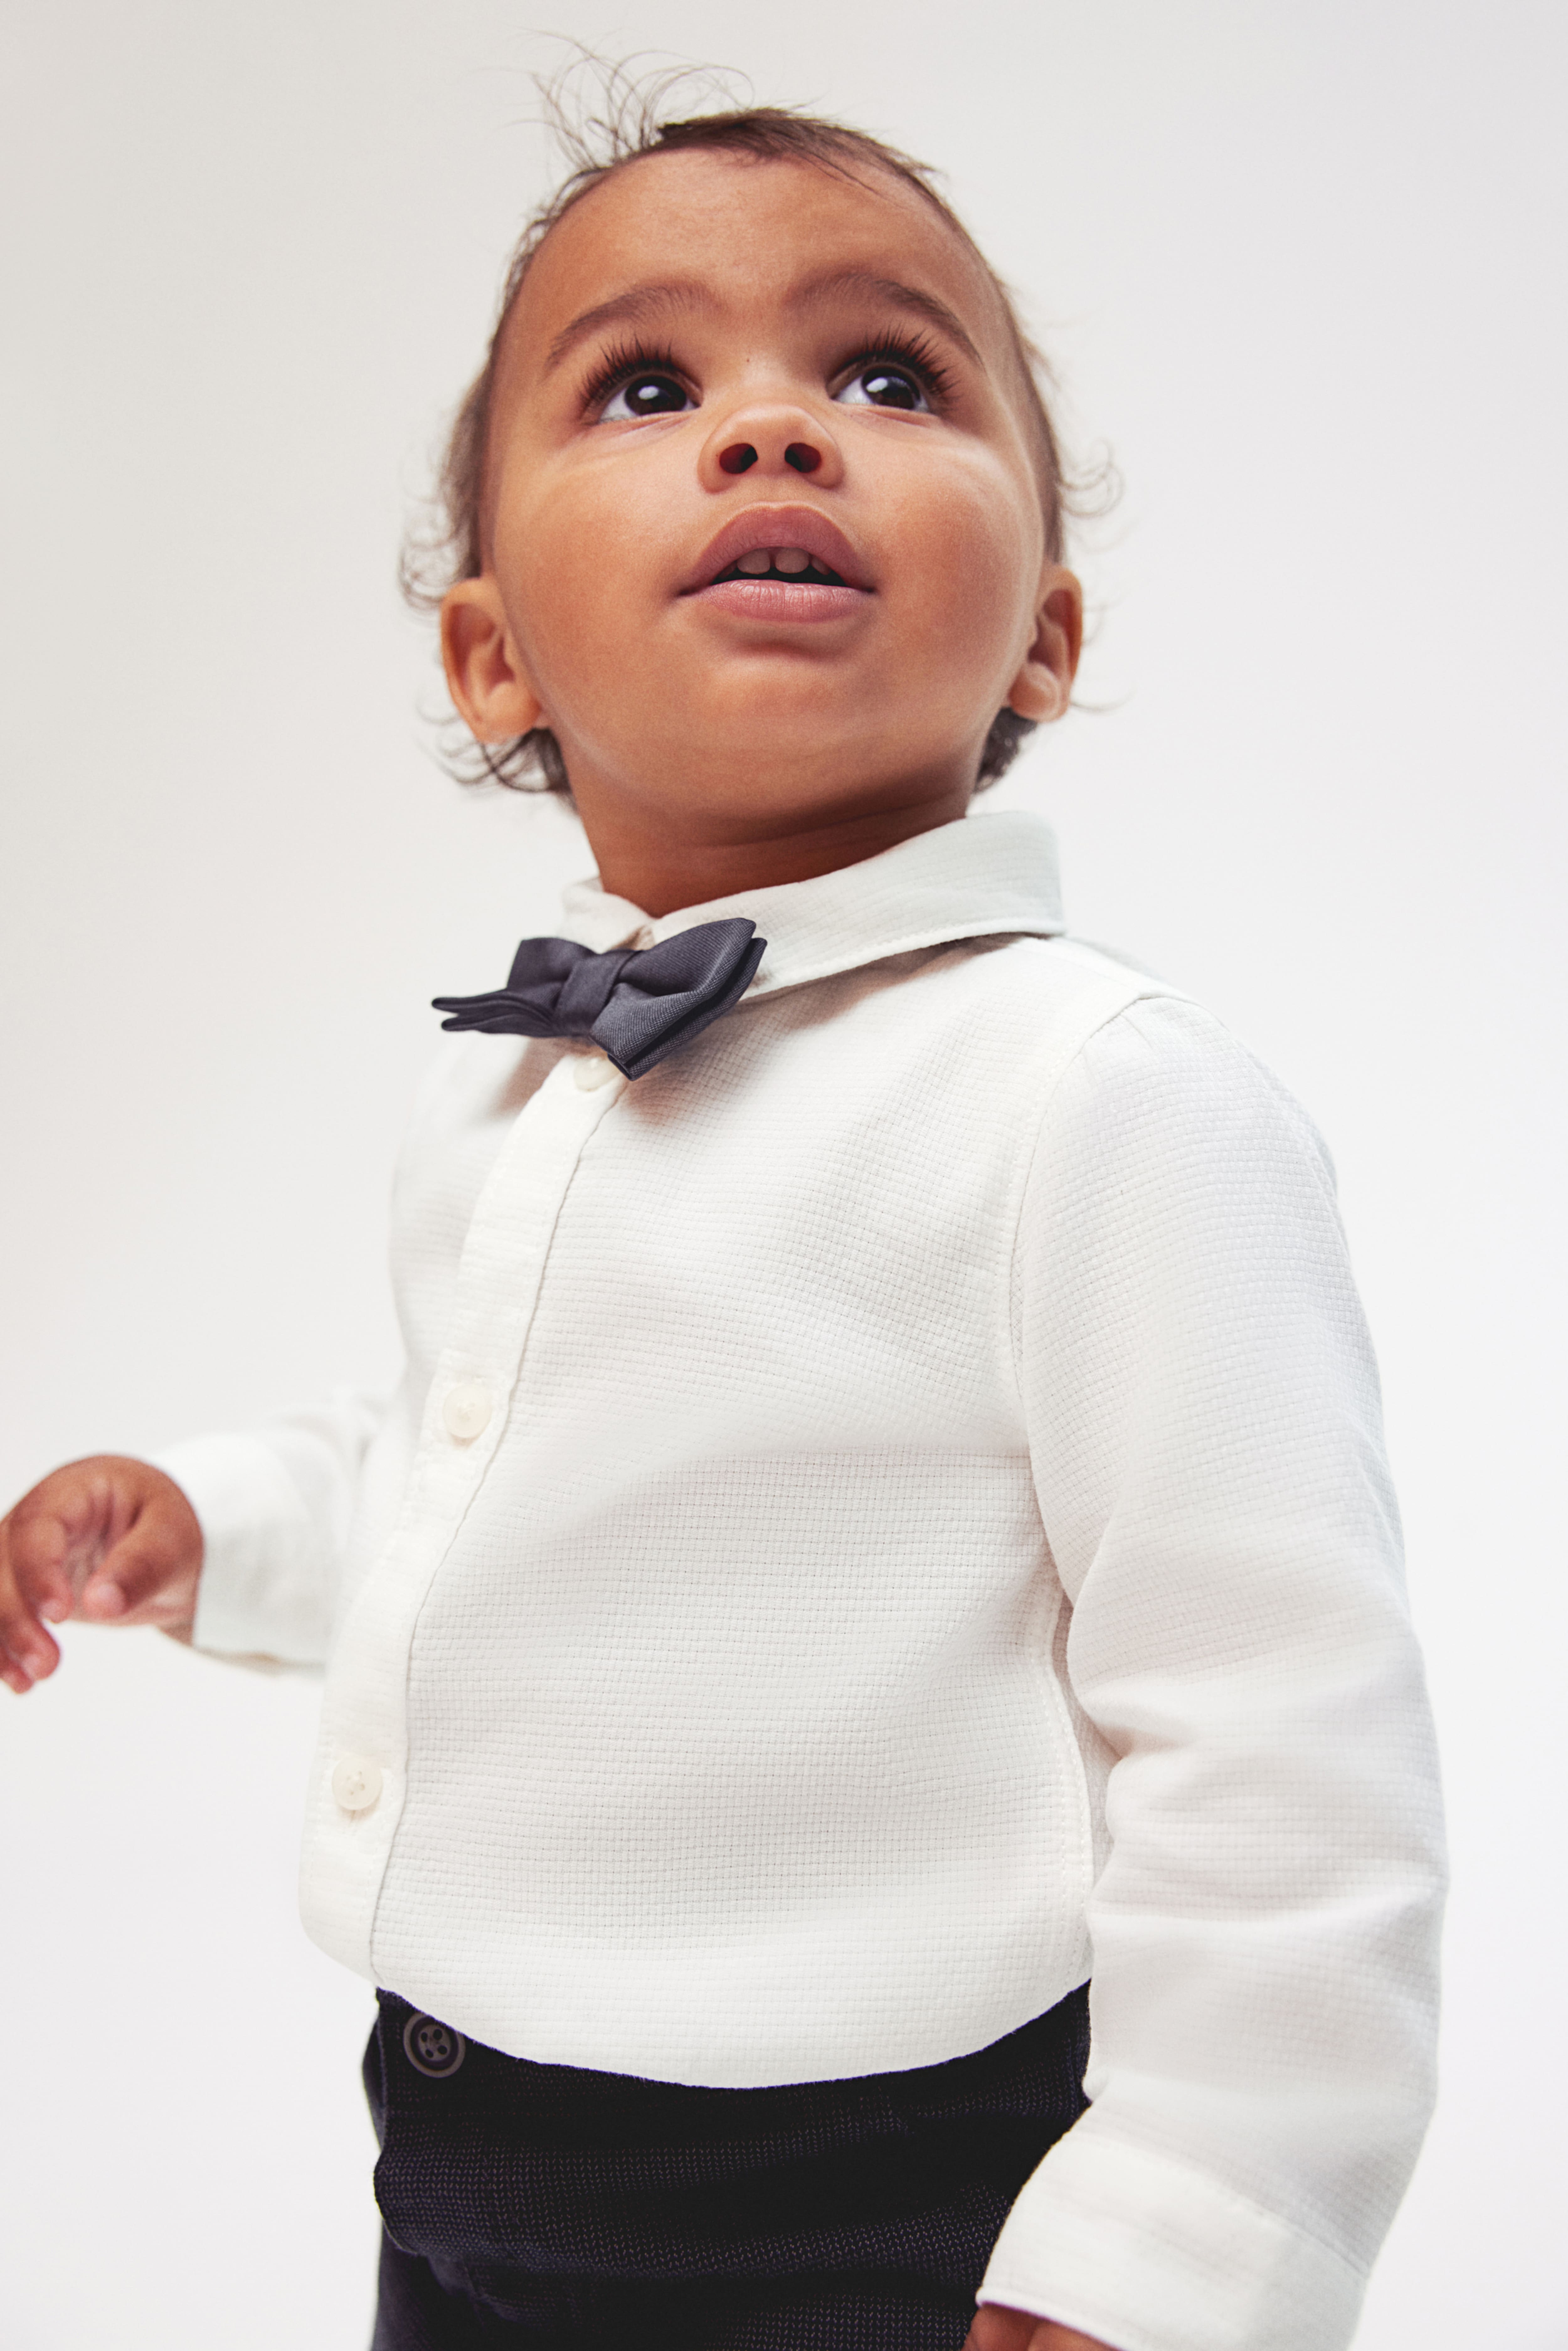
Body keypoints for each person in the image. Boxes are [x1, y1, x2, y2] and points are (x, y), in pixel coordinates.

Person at [0, 90, 1445, 2351]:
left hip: (879, 2191)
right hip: (458, 2127)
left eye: (889, 378)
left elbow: (1278, 1741)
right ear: (494, 659)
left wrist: (1178, 2237)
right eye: (648, 388)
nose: (777, 433)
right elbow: (470, 1474)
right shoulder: (510, 1079)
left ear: (1041, 636)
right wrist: (213, 1521)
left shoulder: (1095, 1105)